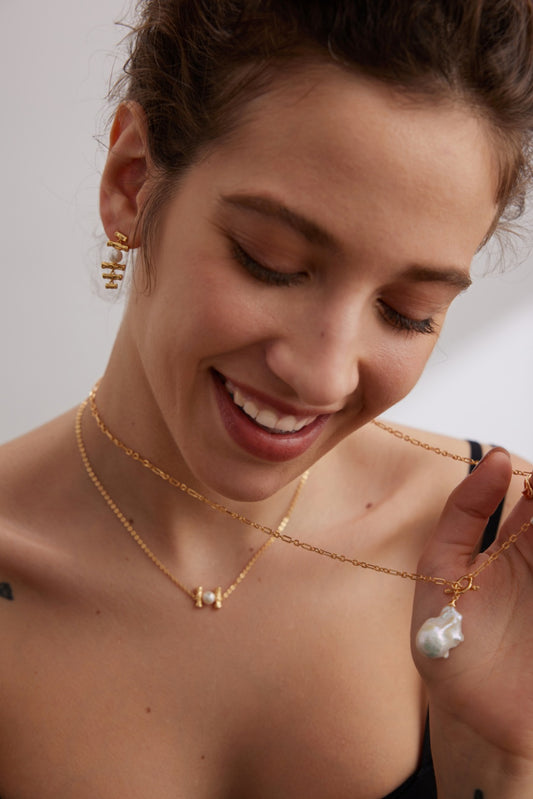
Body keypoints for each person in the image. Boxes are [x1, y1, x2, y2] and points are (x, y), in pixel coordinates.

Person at [1, 1, 533, 797]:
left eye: (406, 311)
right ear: (132, 182)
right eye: (270, 261)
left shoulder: (496, 566)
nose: (323, 377)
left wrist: (494, 756)